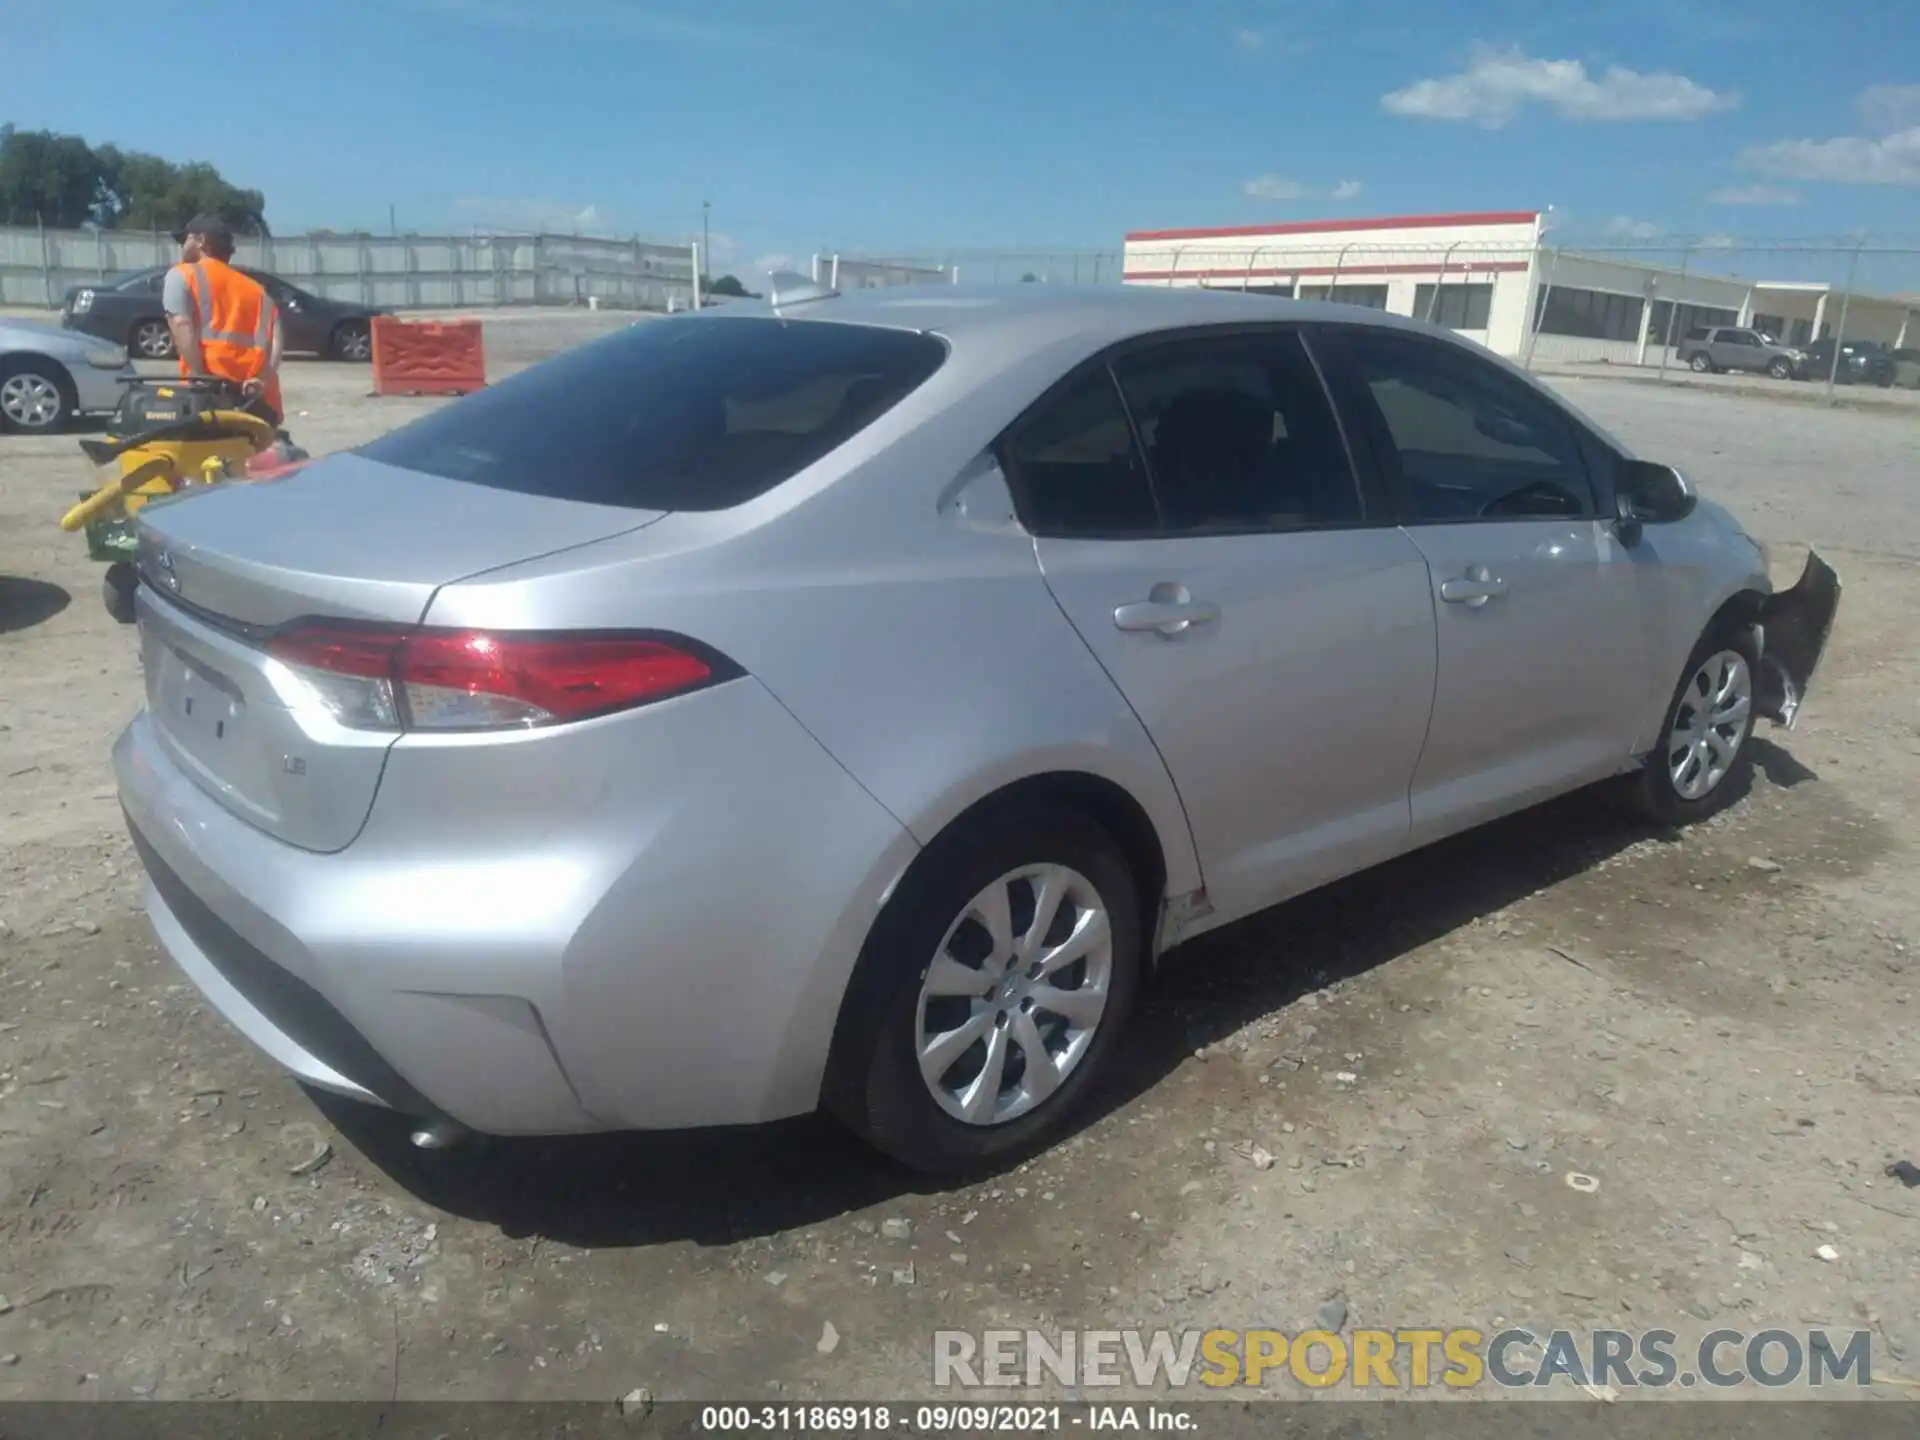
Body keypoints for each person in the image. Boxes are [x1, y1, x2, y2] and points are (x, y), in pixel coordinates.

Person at [163, 215, 285, 425]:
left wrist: (201, 376)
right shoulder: (257, 290)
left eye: (185, 239)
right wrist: (261, 380)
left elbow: (182, 328)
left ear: (201, 240)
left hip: (209, 398)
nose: (182, 246)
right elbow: (276, 344)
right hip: (258, 403)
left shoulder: (181, 275)